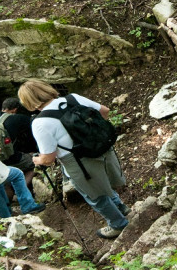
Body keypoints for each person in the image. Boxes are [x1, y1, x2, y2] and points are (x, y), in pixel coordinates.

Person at [18, 80, 130, 239]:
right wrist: (90, 135)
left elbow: (49, 158)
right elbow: (105, 111)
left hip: (78, 161)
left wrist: (37, 160)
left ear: (28, 102)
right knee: (102, 183)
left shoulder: (40, 122)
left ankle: (118, 224)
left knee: (94, 195)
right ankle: (120, 207)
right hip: (101, 147)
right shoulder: (73, 99)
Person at [0, 97, 37, 191]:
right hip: (12, 158)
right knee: (35, 163)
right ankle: (22, 190)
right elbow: (35, 124)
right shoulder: (18, 118)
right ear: (15, 109)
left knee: (4, 179)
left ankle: (10, 198)